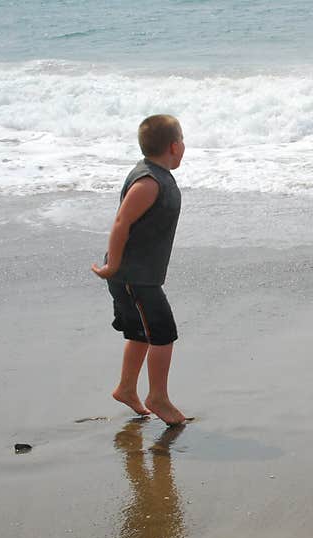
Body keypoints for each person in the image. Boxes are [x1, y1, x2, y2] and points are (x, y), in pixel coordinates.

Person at [91, 114, 187, 425]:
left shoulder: (157, 175)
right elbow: (121, 223)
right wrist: (114, 266)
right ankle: (157, 396)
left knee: (140, 333)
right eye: (182, 141)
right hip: (134, 276)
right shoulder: (148, 182)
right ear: (174, 146)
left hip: (136, 275)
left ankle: (126, 389)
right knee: (162, 332)